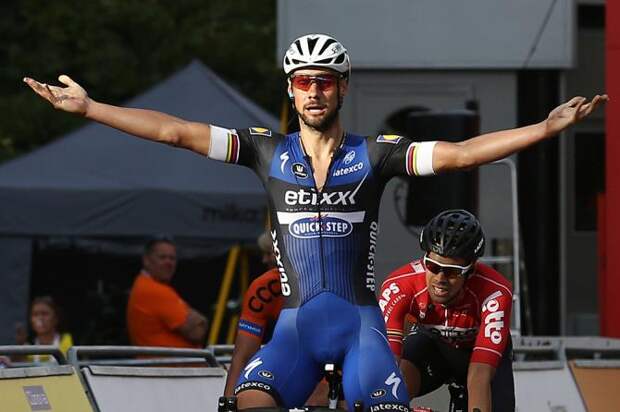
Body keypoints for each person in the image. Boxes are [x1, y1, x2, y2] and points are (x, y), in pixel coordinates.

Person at [24, 32, 605, 410]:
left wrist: (544, 129)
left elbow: (459, 153)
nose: (315, 91)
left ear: (343, 87)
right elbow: (175, 131)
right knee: (247, 408)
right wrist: (92, 109)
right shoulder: (265, 150)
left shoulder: (375, 153)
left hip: (360, 329)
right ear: (291, 89)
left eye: (325, 80)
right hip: (296, 330)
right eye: (304, 81)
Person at [379, 210, 515, 412]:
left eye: (452, 272)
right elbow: (387, 362)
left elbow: (480, 374)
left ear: (471, 269)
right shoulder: (399, 286)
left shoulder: (495, 292)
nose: (440, 279)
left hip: (479, 358)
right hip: (432, 348)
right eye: (433, 266)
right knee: (392, 388)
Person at [224, 231, 283, 396]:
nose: (264, 260)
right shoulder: (264, 286)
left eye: (267, 253)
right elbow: (243, 356)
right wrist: (228, 404)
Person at [126, 236, 208, 348]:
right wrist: (202, 319)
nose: (168, 262)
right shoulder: (154, 290)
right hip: (168, 364)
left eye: (172, 258)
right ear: (146, 260)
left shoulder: (147, 285)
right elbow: (196, 333)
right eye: (162, 257)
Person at [15, 296, 74, 363]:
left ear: (56, 318)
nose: (40, 318)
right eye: (35, 314)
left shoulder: (69, 340)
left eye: (44, 314)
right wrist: (20, 344)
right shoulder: (28, 345)